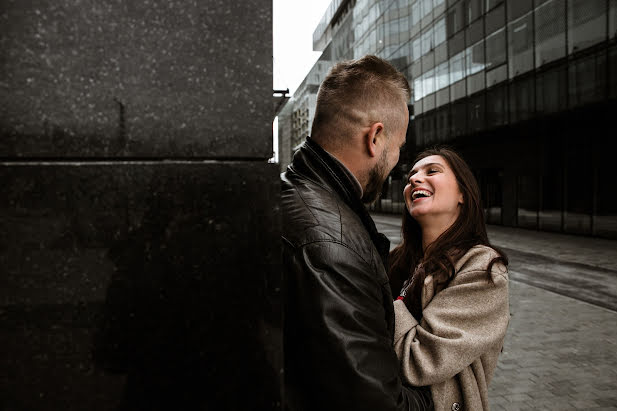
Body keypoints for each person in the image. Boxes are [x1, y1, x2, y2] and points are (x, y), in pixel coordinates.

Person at [281, 55, 433, 410]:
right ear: (376, 138)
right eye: (398, 147)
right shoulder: (331, 244)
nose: (397, 161)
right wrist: (444, 397)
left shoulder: (294, 191)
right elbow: (376, 401)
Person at [388, 148, 510, 411]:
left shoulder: (482, 269)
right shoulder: (396, 261)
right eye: (411, 176)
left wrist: (376, 295)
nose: (414, 180)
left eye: (432, 171)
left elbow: (419, 360)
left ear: (462, 194)